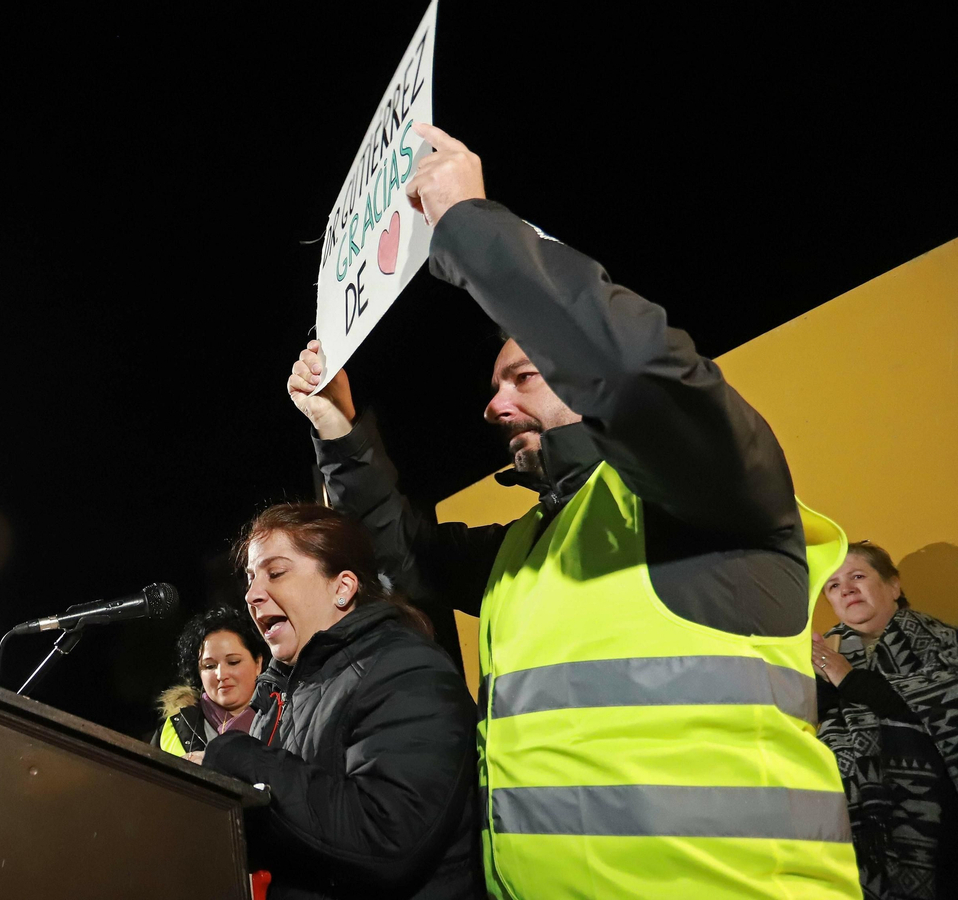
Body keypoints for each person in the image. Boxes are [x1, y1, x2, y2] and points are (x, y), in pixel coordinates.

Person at [286, 122, 859, 898]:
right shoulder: (527, 549)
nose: (494, 405)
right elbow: (396, 556)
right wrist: (341, 434)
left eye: (523, 376)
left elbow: (636, 375)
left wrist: (471, 230)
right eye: (494, 387)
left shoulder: (705, 500)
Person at [199, 503, 480, 900]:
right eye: (250, 578)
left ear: (343, 587)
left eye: (275, 573)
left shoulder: (406, 670)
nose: (252, 594)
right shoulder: (278, 699)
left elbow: (387, 838)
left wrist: (237, 756)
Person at [813, 541, 958, 899]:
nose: (846, 589)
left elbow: (935, 710)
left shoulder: (945, 644)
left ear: (894, 586)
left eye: (858, 576)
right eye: (833, 585)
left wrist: (846, 677)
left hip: (941, 826)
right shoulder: (814, 658)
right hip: (853, 829)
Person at [151, 605, 268, 757]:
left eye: (233, 662)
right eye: (209, 666)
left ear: (258, 663)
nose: (221, 674)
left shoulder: (284, 720)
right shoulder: (174, 729)